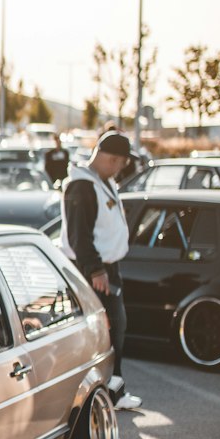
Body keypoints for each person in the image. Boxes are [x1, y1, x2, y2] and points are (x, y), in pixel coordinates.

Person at [60, 130, 141, 410]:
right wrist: (96, 270)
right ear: (112, 159)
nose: (122, 168)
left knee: (112, 329)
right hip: (93, 270)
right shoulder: (82, 186)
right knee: (109, 330)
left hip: (104, 268)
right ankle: (111, 393)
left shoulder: (100, 181)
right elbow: (79, 236)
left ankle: (112, 391)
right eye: (122, 162)